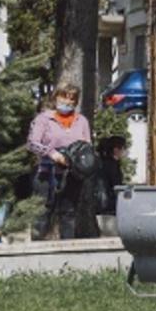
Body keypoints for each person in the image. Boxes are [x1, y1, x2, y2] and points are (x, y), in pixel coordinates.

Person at [26, 83, 92, 240]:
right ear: (56, 97)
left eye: (72, 99)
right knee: (42, 213)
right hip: (47, 172)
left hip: (72, 174)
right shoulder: (44, 119)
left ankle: (67, 256)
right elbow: (32, 143)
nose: (67, 102)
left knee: (69, 213)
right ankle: (36, 254)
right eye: (64, 97)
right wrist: (51, 153)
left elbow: (87, 146)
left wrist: (80, 161)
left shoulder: (81, 121)